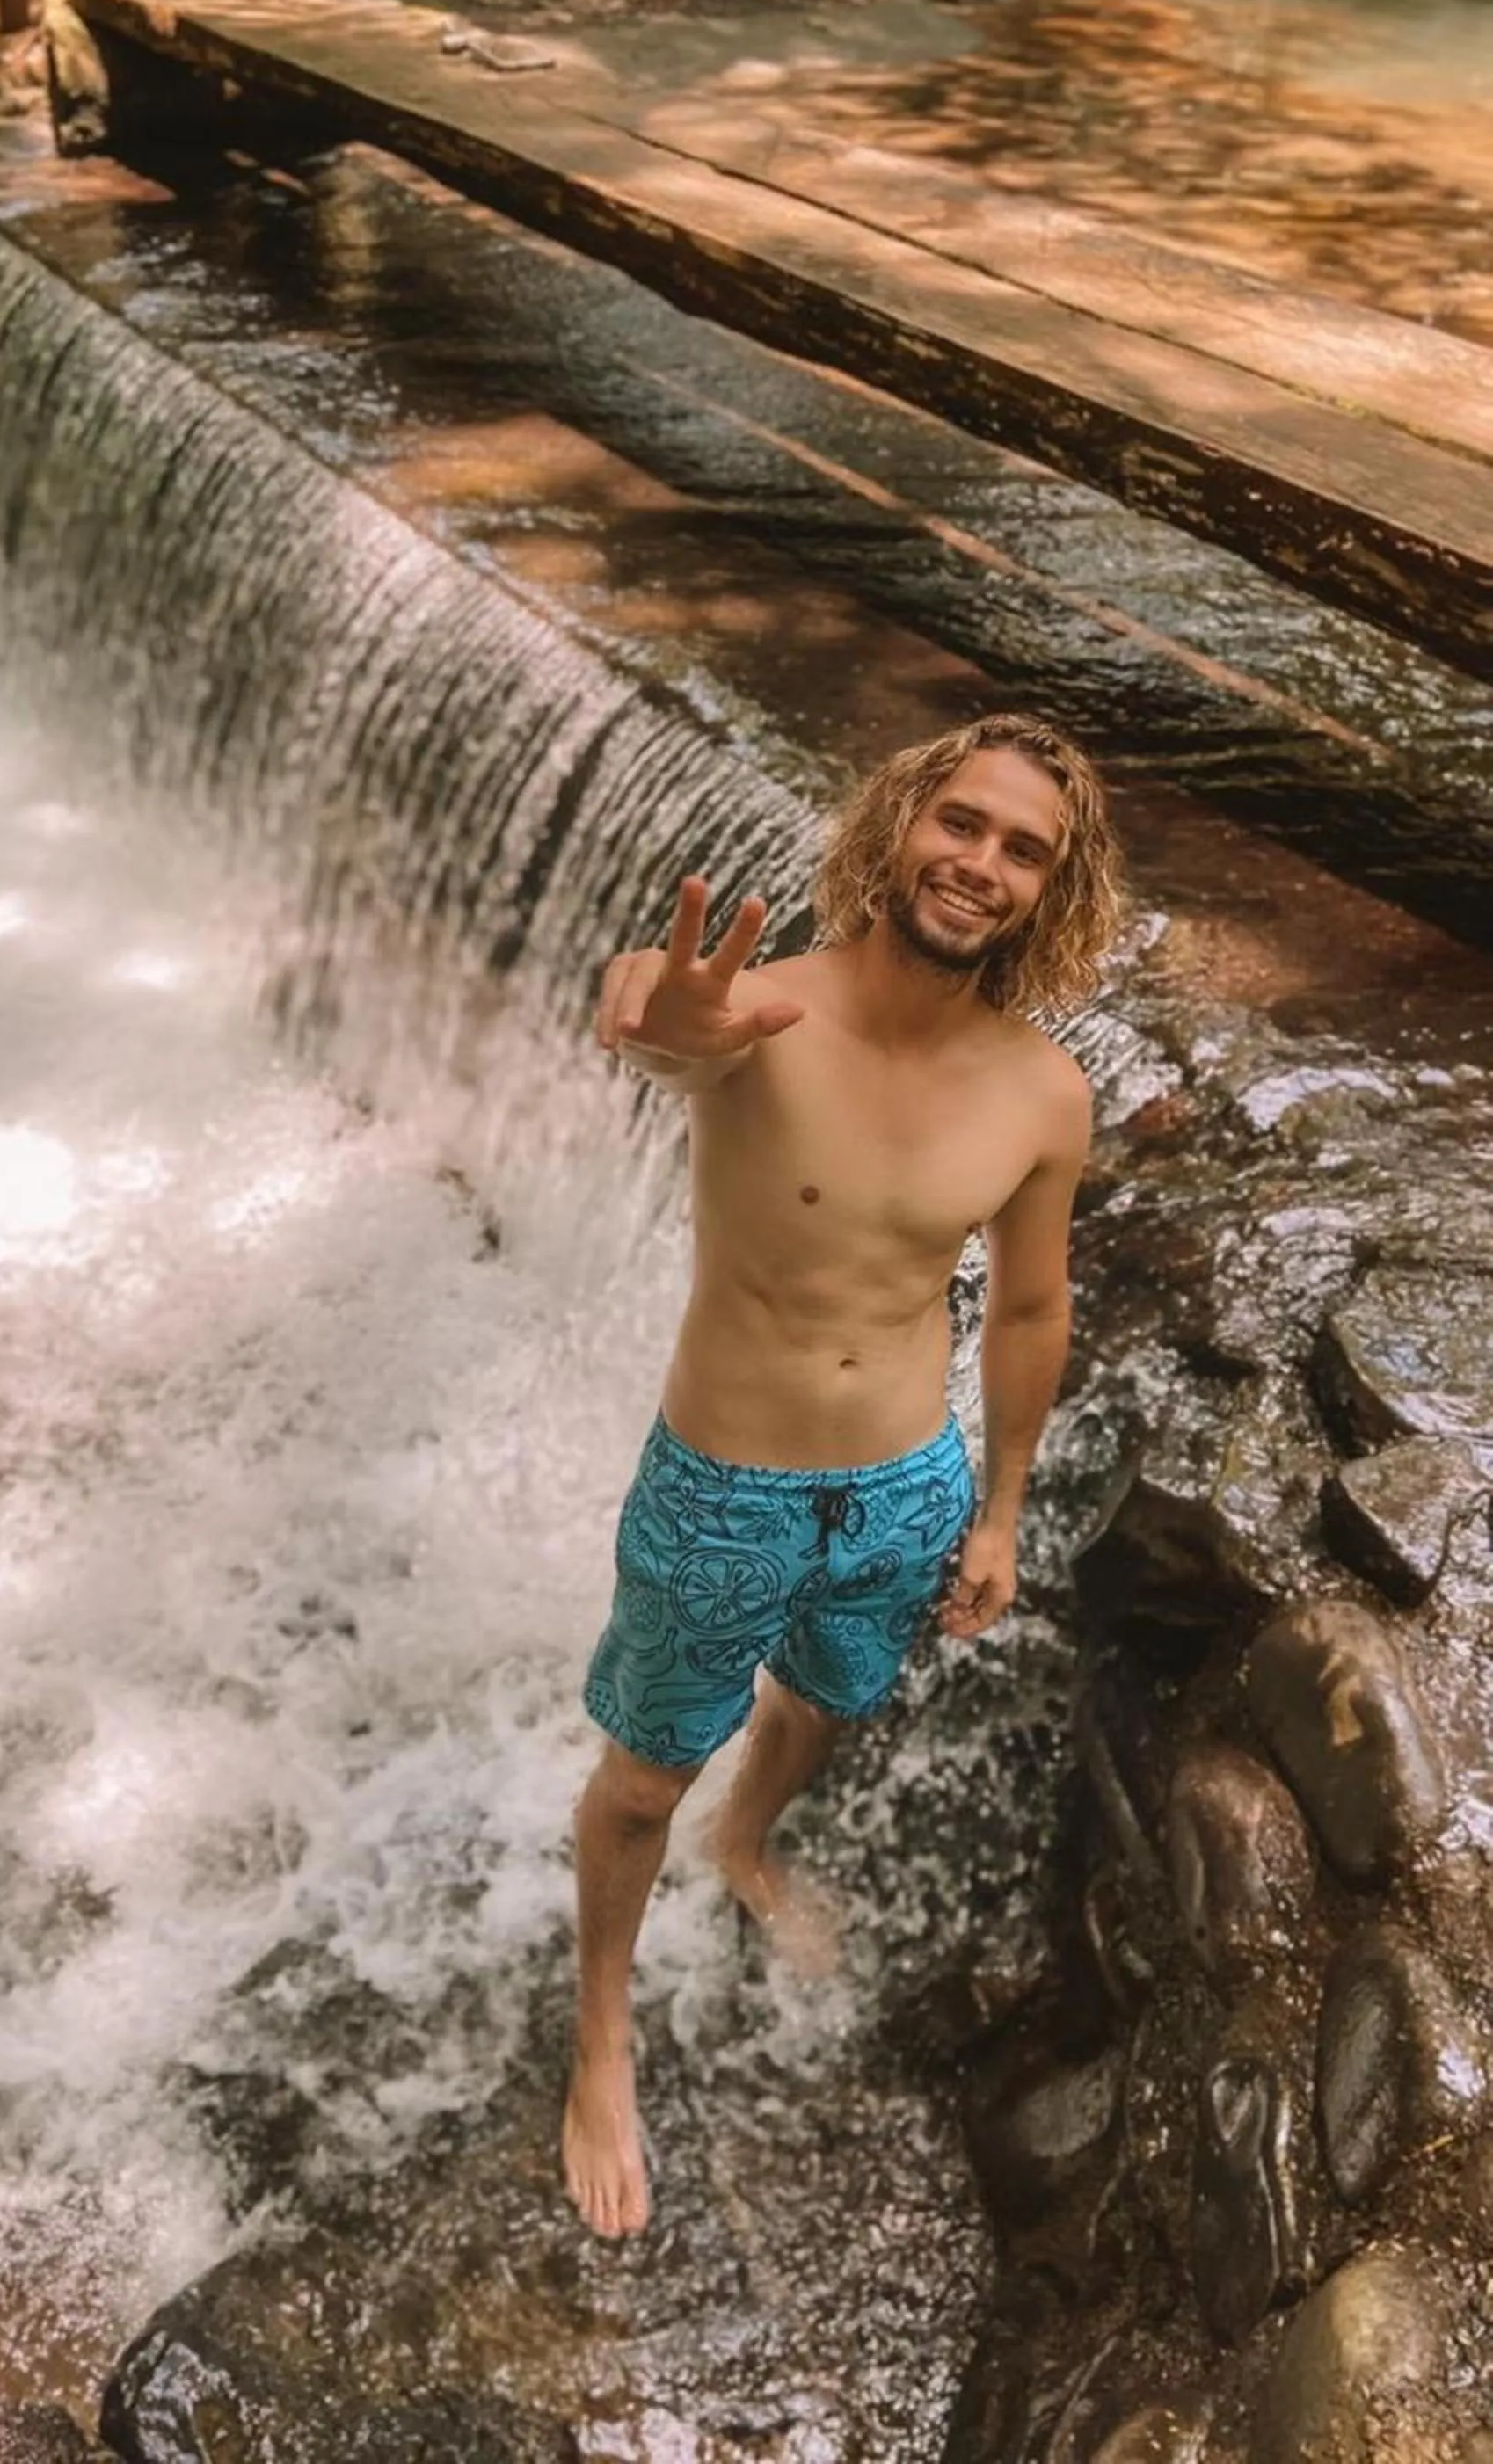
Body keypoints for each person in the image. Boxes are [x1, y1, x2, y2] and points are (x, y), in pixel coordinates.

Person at [563, 709, 1125, 2241]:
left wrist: (1000, 1509)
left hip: (903, 1488)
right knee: (633, 1787)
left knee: (824, 1697)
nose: (981, 864)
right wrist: (653, 1011)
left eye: (1024, 850)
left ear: (1046, 894)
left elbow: (1025, 1308)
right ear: (897, 828)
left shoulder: (1042, 1094)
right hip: (721, 1487)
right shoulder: (756, 1015)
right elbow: (652, 1019)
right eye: (962, 823)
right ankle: (600, 2039)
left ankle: (748, 1839)